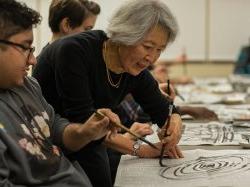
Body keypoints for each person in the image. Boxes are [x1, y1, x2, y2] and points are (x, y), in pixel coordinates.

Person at [33, 0, 183, 186]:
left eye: (159, 50)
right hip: (50, 146)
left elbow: (164, 108)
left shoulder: (135, 69)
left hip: (92, 142)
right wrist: (141, 150)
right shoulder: (74, 51)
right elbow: (84, 121)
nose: (151, 58)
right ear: (125, 35)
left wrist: (174, 123)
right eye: (147, 47)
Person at [0, 0, 120, 186]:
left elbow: (54, 127)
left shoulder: (28, 85)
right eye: (24, 48)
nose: (33, 60)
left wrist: (85, 131)